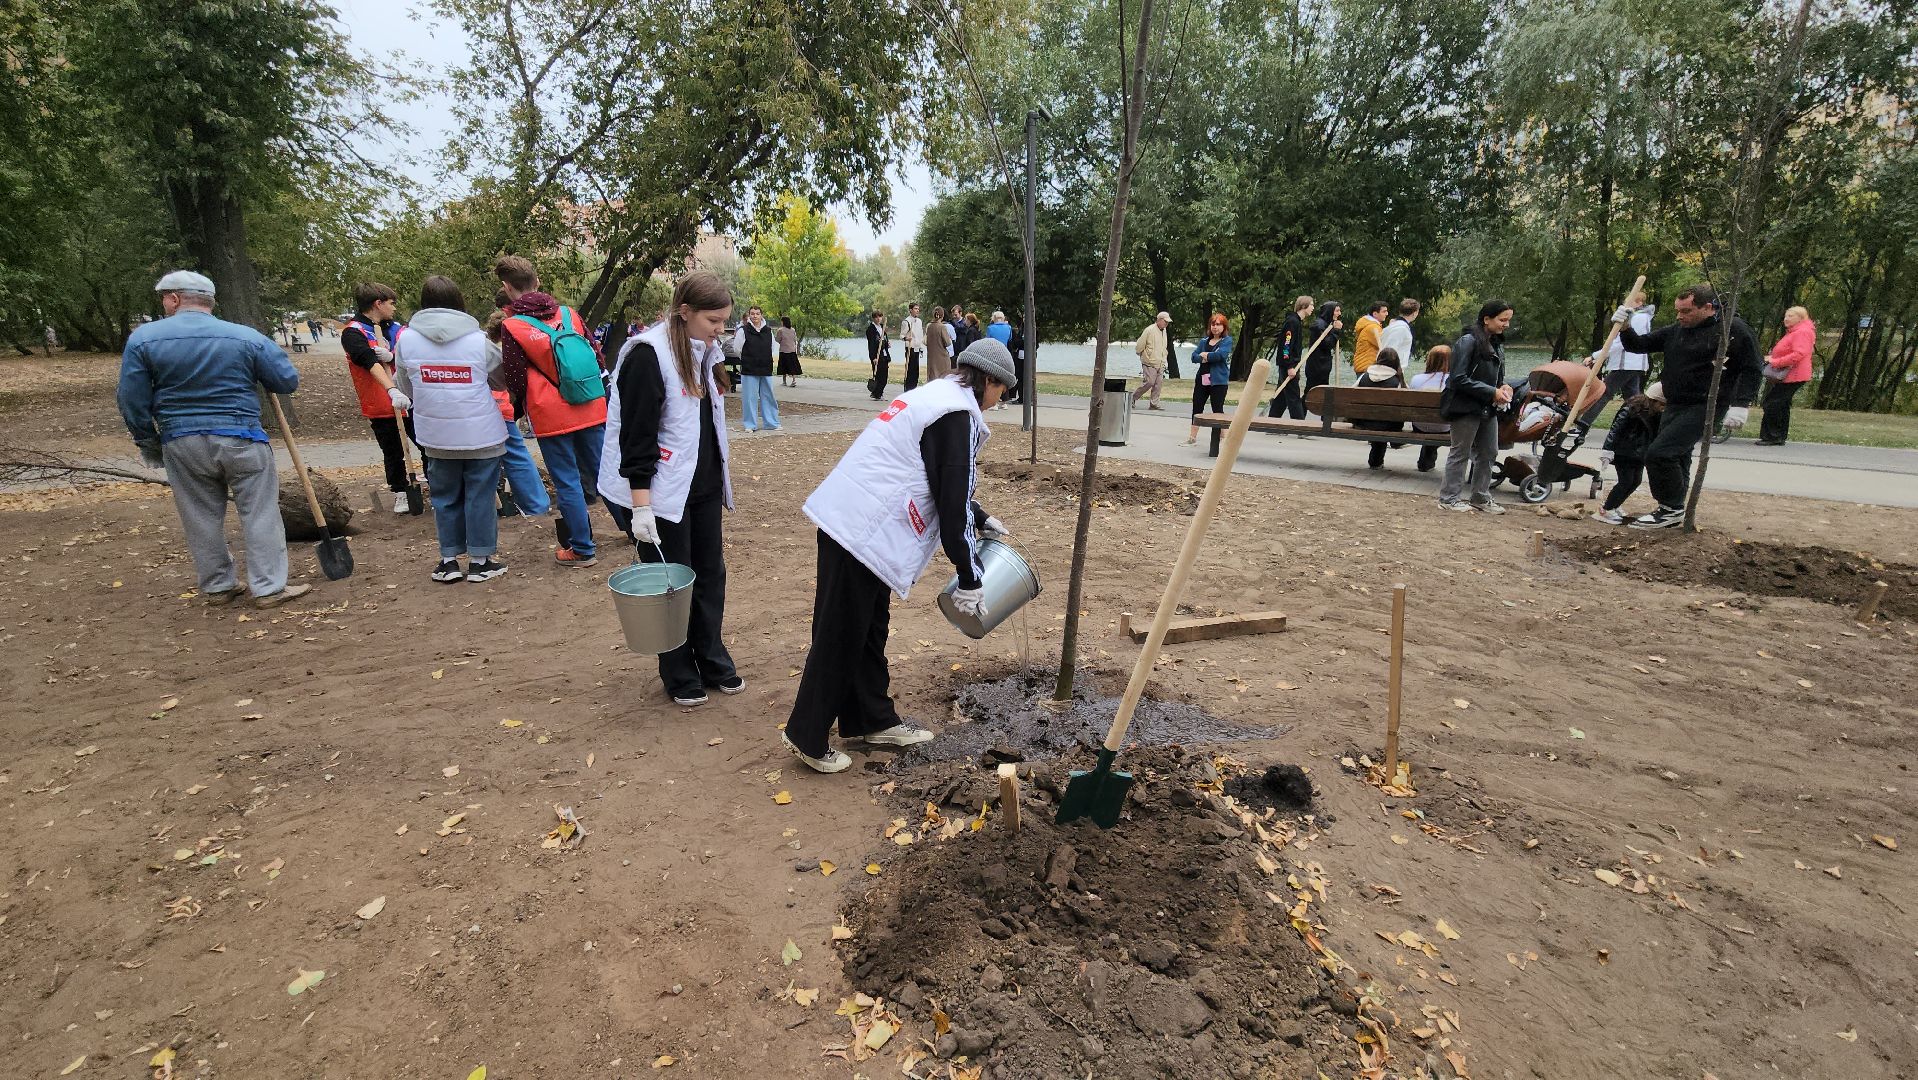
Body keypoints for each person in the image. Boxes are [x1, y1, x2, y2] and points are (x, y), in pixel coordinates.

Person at [783, 338, 1017, 773]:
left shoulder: (936, 396)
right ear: (987, 379)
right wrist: (969, 575)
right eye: (1002, 390)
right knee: (841, 632)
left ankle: (873, 718)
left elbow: (935, 475)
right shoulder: (955, 414)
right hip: (861, 528)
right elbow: (950, 502)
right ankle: (806, 735)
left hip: (857, 518)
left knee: (868, 627)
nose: (999, 400)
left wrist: (980, 517)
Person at [116, 271, 309, 608]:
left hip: (181, 440)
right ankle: (268, 588)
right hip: (241, 436)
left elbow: (131, 399)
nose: (163, 304)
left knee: (200, 515)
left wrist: (148, 441)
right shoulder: (245, 337)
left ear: (175, 299)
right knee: (260, 513)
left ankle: (218, 586)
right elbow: (286, 380)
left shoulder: (144, 339)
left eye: (164, 298)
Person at [599, 270, 744, 707]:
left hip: (700, 487)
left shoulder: (704, 350)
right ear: (685, 312)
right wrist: (640, 507)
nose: (720, 330)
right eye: (713, 321)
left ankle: (712, 656)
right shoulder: (648, 355)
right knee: (671, 584)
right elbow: (637, 438)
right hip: (659, 495)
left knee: (709, 576)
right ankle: (678, 671)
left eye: (724, 321)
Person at [1611, 284, 1762, 529]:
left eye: (1687, 311)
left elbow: (1753, 368)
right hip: (1675, 402)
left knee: (1660, 453)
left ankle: (1670, 508)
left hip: (1707, 405)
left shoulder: (1732, 331)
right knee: (1678, 455)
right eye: (1678, 311)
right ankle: (1676, 507)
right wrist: (1625, 327)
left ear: (1708, 308)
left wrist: (1741, 404)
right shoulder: (1677, 330)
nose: (1680, 316)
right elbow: (1638, 346)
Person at [393, 276, 509, 582]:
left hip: (436, 436)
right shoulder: (478, 343)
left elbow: (406, 387)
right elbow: (501, 381)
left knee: (444, 496)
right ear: (460, 303)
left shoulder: (405, 342)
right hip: (481, 434)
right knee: (480, 496)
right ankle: (481, 561)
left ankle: (448, 561)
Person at [496, 255, 609, 566]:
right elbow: (595, 355)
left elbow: (516, 377)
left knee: (568, 481)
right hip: (590, 403)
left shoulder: (513, 326)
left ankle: (583, 549)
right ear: (538, 281)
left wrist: (519, 409)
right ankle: (635, 531)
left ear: (507, 287)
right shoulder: (570, 314)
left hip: (550, 413)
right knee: (605, 472)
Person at [341, 282, 417, 513]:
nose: (394, 308)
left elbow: (413, 355)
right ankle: (401, 491)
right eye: (391, 303)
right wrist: (391, 389)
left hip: (411, 400)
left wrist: (393, 356)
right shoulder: (353, 332)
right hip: (381, 404)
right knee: (393, 452)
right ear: (378, 303)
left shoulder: (396, 329)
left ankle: (435, 482)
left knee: (426, 445)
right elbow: (368, 362)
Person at [1437, 300, 1516, 513]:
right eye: (1502, 320)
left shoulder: (1496, 344)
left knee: (1489, 451)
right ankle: (1449, 498)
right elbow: (1458, 379)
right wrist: (1491, 391)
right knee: (1460, 452)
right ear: (1486, 319)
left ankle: (1480, 497)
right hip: (1465, 406)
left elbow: (1497, 377)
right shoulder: (1467, 342)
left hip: (1487, 407)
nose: (1506, 324)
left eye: (1508, 320)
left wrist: (1503, 387)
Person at [483, 287, 552, 518]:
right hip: (503, 407)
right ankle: (534, 504)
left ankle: (526, 503)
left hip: (496, 407)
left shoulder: (496, 348)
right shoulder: (513, 343)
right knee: (515, 454)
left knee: (500, 456)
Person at [1592, 385, 1665, 525]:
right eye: (1661, 404)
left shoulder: (1655, 414)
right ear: (1653, 400)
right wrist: (1608, 450)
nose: (1663, 408)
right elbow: (1616, 428)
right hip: (1624, 452)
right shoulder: (1633, 408)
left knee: (1635, 481)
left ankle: (1614, 505)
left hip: (1638, 453)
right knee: (1626, 481)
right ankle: (1606, 509)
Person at [1581, 293, 1654, 423]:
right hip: (1634, 365)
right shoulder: (1642, 317)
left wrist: (1595, 356)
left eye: (1628, 300)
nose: (1625, 303)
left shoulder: (1637, 318)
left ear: (1638, 303)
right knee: (1633, 400)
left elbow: (1619, 344)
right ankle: (1641, 427)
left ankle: (1582, 425)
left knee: (1603, 393)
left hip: (1625, 364)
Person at [1757, 306, 1816, 446]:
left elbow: (1798, 354)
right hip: (1790, 374)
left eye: (1790, 316)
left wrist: (1775, 362)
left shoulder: (1802, 332)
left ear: (1800, 318)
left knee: (1772, 403)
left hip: (1793, 374)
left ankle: (1773, 436)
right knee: (1781, 404)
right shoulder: (1796, 331)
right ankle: (1778, 436)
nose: (1786, 319)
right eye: (1785, 316)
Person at [1183, 313, 1234, 446]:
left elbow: (1221, 356)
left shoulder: (1227, 341)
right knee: (1197, 407)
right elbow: (1194, 357)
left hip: (1218, 381)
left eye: (1218, 324)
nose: (1215, 327)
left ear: (1224, 327)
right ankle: (1192, 437)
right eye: (1213, 324)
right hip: (1202, 379)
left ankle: (1225, 438)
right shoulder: (1204, 341)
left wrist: (1206, 355)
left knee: (1217, 409)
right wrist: (1205, 356)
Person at [1354, 347, 1407, 469]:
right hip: (1388, 425)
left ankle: (1376, 461)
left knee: (1379, 419)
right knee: (1385, 419)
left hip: (1363, 422)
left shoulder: (1364, 377)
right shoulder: (1397, 381)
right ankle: (1377, 460)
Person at [731, 305, 780, 432]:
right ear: (749, 315)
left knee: (768, 396)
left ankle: (771, 423)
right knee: (749, 398)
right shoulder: (743, 330)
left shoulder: (768, 331)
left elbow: (772, 347)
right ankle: (750, 425)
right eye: (752, 314)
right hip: (749, 368)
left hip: (765, 367)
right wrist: (748, 358)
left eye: (757, 313)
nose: (755, 316)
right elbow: (737, 349)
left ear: (761, 315)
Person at [1407, 345, 1451, 472]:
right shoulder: (1454, 381)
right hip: (1444, 427)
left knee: (1430, 422)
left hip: (1419, 426)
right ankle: (1427, 462)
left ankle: (1426, 462)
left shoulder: (1416, 379)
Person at [1268, 296, 1313, 419]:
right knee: (1294, 396)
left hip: (1291, 364)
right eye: (1311, 305)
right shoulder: (1292, 322)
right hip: (1288, 364)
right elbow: (1286, 346)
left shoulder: (1297, 322)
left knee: (1282, 395)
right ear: (1304, 306)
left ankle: (1273, 420)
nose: (1313, 308)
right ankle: (1299, 426)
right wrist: (1289, 366)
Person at [1132, 310, 1170, 409]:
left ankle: (1154, 404)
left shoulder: (1164, 331)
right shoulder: (1149, 330)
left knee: (1158, 384)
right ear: (1159, 320)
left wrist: (1164, 357)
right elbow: (1140, 344)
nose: (1166, 324)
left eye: (1167, 322)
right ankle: (1132, 398)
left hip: (1160, 361)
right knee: (1149, 382)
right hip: (1149, 361)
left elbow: (1163, 346)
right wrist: (1141, 354)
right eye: (1165, 321)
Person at [1304, 301, 1343, 393]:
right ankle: (1303, 407)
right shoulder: (1319, 325)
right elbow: (1327, 344)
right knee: (1312, 391)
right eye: (1337, 311)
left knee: (1320, 391)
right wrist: (1336, 330)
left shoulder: (1328, 324)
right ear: (1329, 311)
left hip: (1323, 363)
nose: (1339, 314)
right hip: (1317, 364)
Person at [1380, 299, 1420, 375]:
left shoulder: (1393, 326)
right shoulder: (1401, 329)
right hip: (1391, 373)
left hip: (1389, 371)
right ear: (1414, 313)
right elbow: (1390, 352)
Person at [1351, 301, 1388, 374]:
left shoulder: (1371, 326)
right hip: (1367, 367)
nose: (1387, 314)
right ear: (1375, 314)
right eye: (1384, 312)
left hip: (1365, 366)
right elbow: (1385, 344)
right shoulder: (1372, 328)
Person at [865, 310, 890, 399]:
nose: (878, 319)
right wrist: (873, 357)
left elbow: (884, 339)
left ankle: (878, 392)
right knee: (879, 375)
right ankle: (877, 393)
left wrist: (887, 343)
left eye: (880, 317)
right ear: (873, 318)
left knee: (885, 375)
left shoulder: (882, 327)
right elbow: (871, 344)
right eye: (876, 317)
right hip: (877, 355)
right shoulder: (871, 329)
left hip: (884, 354)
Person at [901, 302, 926, 391]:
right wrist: (906, 338)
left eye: (918, 309)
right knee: (910, 369)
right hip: (909, 348)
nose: (917, 310)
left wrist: (921, 347)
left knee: (916, 370)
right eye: (915, 309)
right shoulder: (906, 321)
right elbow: (902, 335)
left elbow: (920, 335)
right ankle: (908, 388)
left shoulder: (919, 321)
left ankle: (914, 388)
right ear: (910, 310)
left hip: (916, 348)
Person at [926, 305, 954, 381]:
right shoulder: (942, 327)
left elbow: (926, 341)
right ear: (942, 315)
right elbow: (948, 343)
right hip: (942, 357)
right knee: (943, 377)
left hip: (932, 356)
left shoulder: (929, 326)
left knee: (933, 377)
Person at [776, 315, 801, 387]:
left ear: (783, 322)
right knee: (792, 365)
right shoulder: (793, 330)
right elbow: (795, 339)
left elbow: (778, 340)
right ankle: (794, 380)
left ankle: (784, 381)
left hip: (784, 350)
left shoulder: (780, 330)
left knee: (783, 365)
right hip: (792, 350)